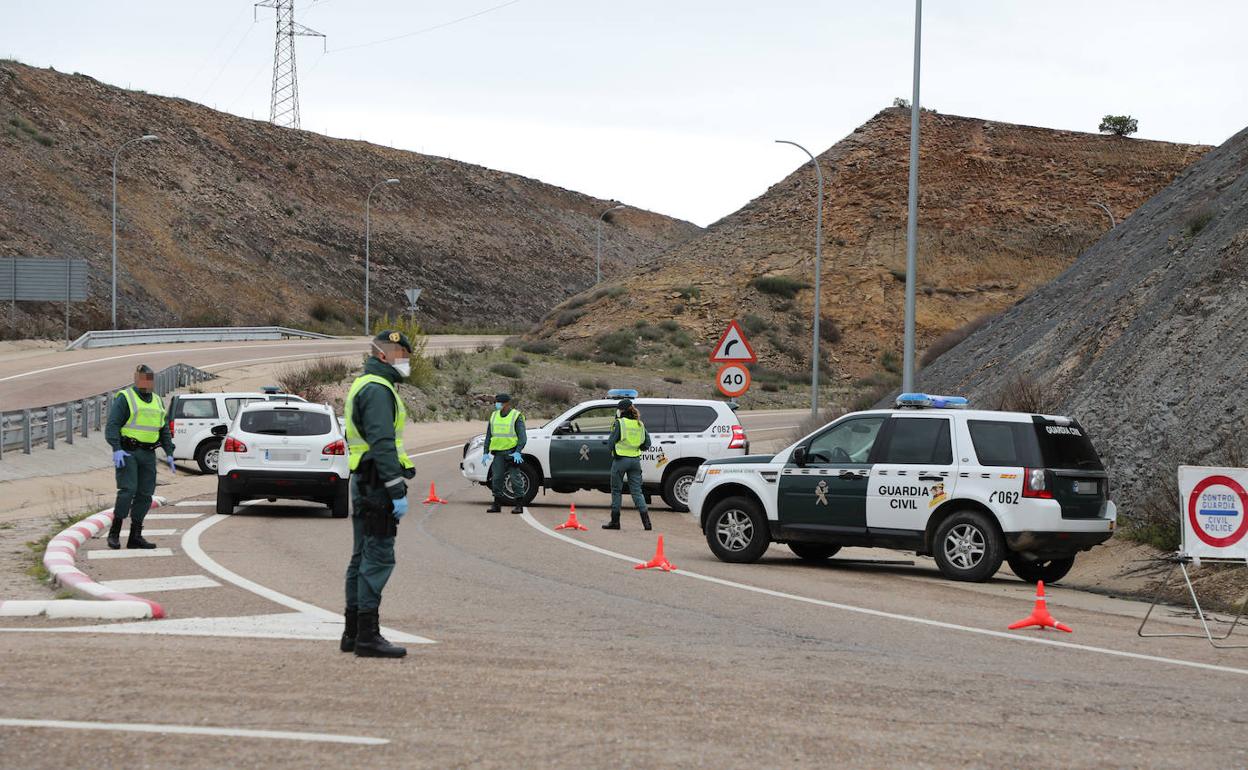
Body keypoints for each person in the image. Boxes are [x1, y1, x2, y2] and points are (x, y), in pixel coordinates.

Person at [341, 330, 417, 659]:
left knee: (361, 557)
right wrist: (395, 488)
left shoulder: (365, 384)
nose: (406, 360)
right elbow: (383, 442)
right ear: (383, 355)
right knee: (377, 558)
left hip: (365, 480)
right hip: (376, 484)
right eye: (401, 353)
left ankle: (353, 633)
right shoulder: (377, 389)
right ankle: (368, 636)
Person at [104, 364, 176, 550]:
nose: (146, 383)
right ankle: (115, 532)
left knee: (145, 494)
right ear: (137, 379)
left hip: (148, 454)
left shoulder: (158, 401)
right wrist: (117, 448)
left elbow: (164, 429)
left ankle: (135, 536)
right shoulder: (126, 398)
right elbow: (112, 425)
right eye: (143, 379)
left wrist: (169, 453)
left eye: (149, 379)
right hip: (128, 452)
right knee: (128, 490)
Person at [604, 398, 651, 531]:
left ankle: (615, 522)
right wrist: (635, 448)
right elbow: (647, 444)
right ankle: (647, 523)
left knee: (616, 490)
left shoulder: (620, 423)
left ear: (622, 411)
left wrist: (615, 450)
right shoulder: (639, 424)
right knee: (637, 492)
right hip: (635, 461)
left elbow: (610, 443)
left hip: (620, 461)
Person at [482, 393, 527, 514]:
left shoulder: (516, 416)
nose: (495, 404)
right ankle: (497, 504)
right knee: (496, 479)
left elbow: (522, 437)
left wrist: (518, 452)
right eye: (495, 402)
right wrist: (485, 452)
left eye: (498, 402)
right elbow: (488, 435)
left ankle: (519, 505)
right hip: (498, 454)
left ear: (506, 403)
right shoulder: (494, 416)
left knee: (515, 478)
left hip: (512, 453)